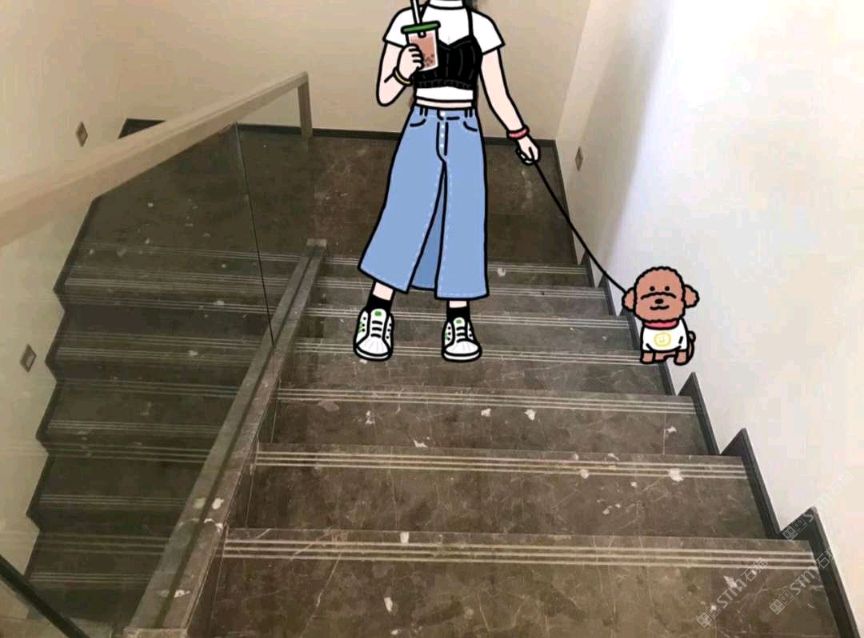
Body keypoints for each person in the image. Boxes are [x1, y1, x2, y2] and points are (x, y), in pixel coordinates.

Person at [354, 0, 540, 363]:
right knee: (404, 213)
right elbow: (384, 94)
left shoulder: (481, 27)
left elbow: (496, 92)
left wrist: (520, 134)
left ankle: (458, 317)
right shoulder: (407, 21)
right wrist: (403, 72)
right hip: (421, 125)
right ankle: (377, 310)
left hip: (465, 129)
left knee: (464, 220)